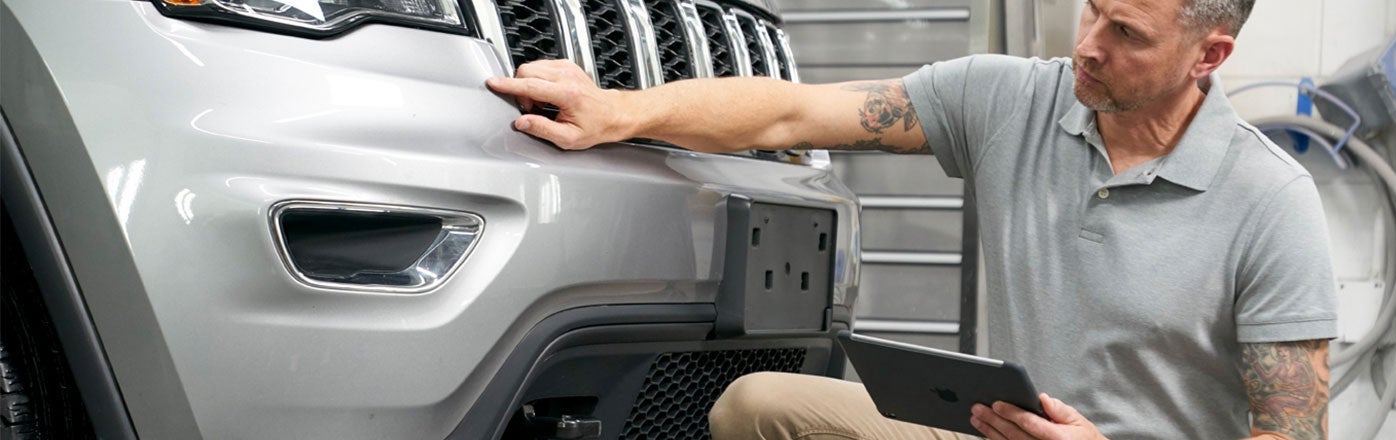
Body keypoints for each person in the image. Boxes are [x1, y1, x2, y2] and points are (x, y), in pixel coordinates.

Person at [486, 0, 1337, 438]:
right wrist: (623, 110)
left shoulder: (1269, 201)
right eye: (1091, 9)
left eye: (1126, 32)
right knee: (757, 407)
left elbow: (1291, 432)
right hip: (991, 434)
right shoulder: (1014, 100)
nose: (1088, 43)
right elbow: (789, 113)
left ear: (1209, 55)